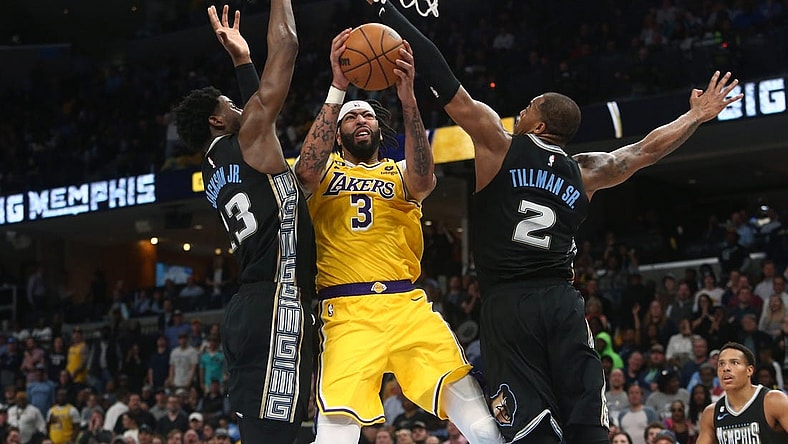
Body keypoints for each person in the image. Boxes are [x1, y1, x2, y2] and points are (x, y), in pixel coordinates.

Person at [363, 1, 743, 441]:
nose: (519, 112)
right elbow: (644, 150)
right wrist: (695, 115)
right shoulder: (586, 170)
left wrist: (387, 13)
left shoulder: (498, 143)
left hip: (508, 306)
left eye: (526, 108)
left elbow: (444, 77)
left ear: (539, 123)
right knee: (585, 420)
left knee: (529, 427)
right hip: (562, 301)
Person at [292, 26, 502, 444]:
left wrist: (408, 100)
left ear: (378, 125)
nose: (361, 120)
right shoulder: (325, 170)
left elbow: (424, 182)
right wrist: (338, 87)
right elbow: (304, 171)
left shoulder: (398, 173)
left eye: (367, 114)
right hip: (347, 309)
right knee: (336, 430)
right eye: (352, 117)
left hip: (406, 303)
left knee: (474, 412)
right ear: (339, 130)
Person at [173, 3, 314, 443]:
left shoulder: (212, 171)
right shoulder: (249, 139)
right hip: (279, 299)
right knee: (278, 434)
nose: (242, 105)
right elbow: (287, 45)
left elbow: (261, 122)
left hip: (246, 309)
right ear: (217, 120)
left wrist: (241, 61)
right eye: (232, 104)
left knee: (262, 429)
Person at [696, 342, 788, 443]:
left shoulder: (773, 400)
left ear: (749, 370)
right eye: (721, 364)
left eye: (734, 362)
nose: (726, 368)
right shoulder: (711, 413)